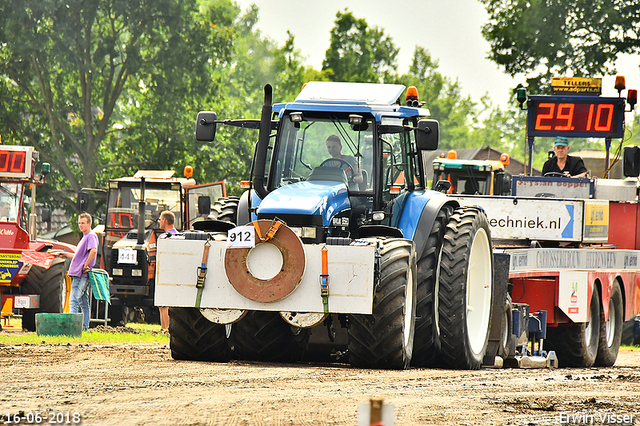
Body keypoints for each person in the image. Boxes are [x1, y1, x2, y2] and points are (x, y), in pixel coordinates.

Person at [58, 213, 98, 332]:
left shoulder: (90, 236)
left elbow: (94, 251)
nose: (80, 225)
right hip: (79, 273)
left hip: (81, 274)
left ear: (89, 224)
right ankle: (84, 328)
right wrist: (65, 254)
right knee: (83, 302)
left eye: (83, 223)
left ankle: (72, 328)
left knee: (73, 299)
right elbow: (77, 256)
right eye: (79, 223)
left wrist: (85, 265)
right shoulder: (85, 236)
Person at [157, 211, 177, 330]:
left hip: (165, 272)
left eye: (160, 219)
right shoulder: (179, 236)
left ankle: (164, 328)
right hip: (174, 272)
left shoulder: (163, 237)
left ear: (164, 220)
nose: (159, 222)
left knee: (163, 304)